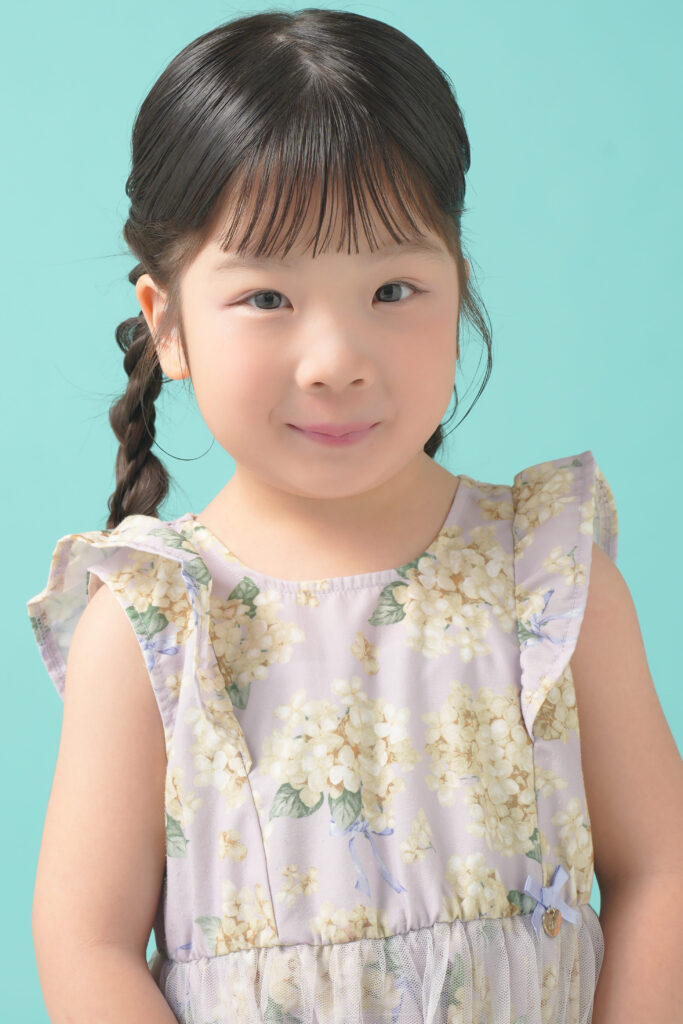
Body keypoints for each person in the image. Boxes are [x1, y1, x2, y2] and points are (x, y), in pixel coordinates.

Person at [26, 8, 683, 1024]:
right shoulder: (157, 624)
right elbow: (86, 943)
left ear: (457, 292)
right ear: (168, 326)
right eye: (267, 298)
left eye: (392, 288)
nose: (335, 359)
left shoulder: (548, 583)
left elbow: (660, 869)